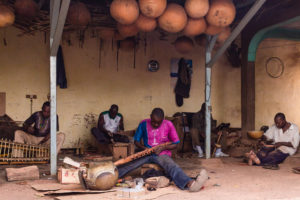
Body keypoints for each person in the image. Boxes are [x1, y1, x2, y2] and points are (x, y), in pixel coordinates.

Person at [117, 108, 208, 192]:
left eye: (158, 123)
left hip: (162, 154)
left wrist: (163, 148)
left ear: (163, 119)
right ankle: (111, 176)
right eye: (153, 122)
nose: (156, 125)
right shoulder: (143, 123)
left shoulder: (168, 124)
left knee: (172, 166)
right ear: (150, 117)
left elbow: (175, 143)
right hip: (146, 152)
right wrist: (145, 149)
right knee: (129, 164)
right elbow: (136, 141)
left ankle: (190, 184)